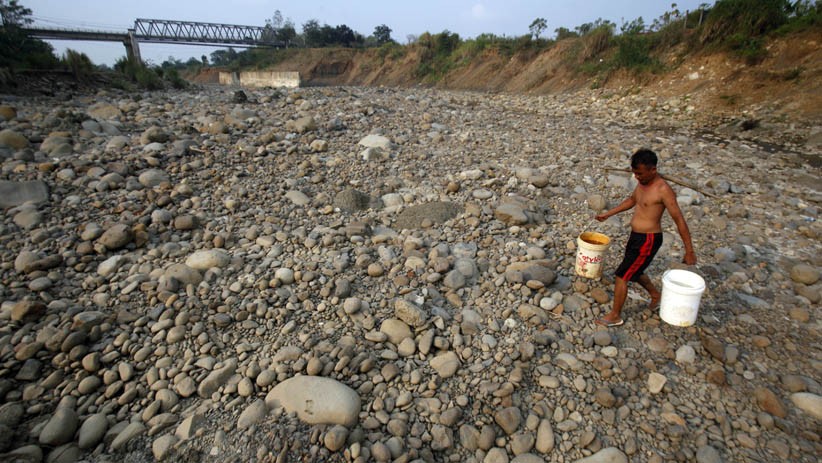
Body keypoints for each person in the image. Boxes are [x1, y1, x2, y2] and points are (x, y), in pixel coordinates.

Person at [594, 148, 697, 327]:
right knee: (635, 270)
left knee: (622, 275)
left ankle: (615, 315)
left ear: (653, 170)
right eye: (635, 173)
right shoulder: (642, 182)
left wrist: (689, 250)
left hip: (648, 240)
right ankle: (655, 295)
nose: (637, 177)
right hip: (636, 236)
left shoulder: (663, 190)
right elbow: (633, 200)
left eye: (640, 173)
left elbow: (679, 219)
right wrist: (608, 214)